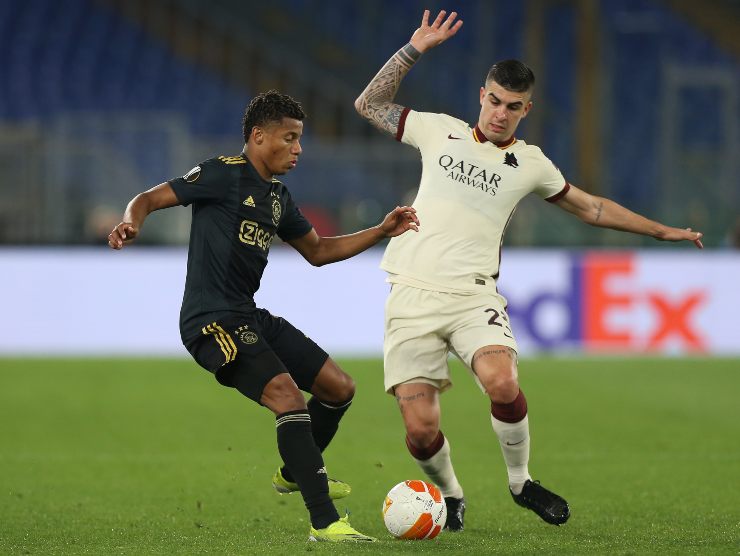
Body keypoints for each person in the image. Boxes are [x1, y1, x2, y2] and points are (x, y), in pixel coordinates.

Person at [354, 10, 704, 531]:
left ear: (527, 110)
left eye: (513, 107)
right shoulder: (438, 132)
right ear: (481, 95)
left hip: (474, 297)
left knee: (501, 379)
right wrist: (413, 49)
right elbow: (369, 104)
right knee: (422, 431)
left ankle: (521, 483)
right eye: (494, 100)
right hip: (410, 295)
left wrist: (661, 232)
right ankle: (450, 493)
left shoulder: (533, 163)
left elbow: (594, 209)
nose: (500, 113)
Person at [108, 90, 420, 542]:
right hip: (210, 321)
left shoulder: (277, 198)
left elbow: (318, 251)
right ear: (258, 137)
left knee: (339, 387)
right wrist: (131, 221)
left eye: (299, 139)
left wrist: (382, 231)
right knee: (287, 397)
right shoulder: (220, 174)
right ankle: (325, 521)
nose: (298, 148)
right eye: (289, 138)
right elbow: (149, 197)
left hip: (249, 316)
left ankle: (296, 471)